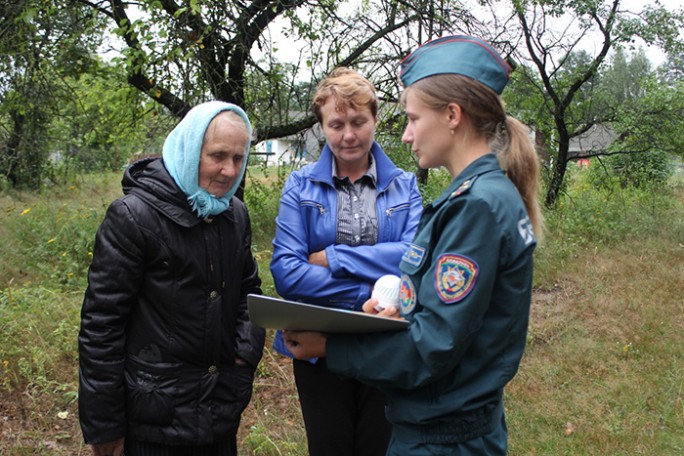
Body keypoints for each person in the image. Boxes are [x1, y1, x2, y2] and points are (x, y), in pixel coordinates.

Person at [283, 35, 544, 455]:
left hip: (444, 435)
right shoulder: (477, 197)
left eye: (413, 118)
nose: (405, 136)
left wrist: (332, 345)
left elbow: (432, 347)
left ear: (452, 116)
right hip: (444, 422)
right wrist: (398, 307)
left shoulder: (476, 206)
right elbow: (447, 315)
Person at [78, 101, 265, 456]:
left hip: (218, 410)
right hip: (152, 419)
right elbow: (102, 325)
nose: (228, 170)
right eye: (217, 156)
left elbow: (247, 293)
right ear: (190, 149)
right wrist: (104, 426)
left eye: (239, 158)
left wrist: (242, 359)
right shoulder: (133, 217)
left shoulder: (234, 214)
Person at [269, 67, 423, 456]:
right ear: (322, 126)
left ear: (375, 119)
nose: (348, 134)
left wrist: (332, 257)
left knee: (380, 445)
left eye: (358, 121)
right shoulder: (300, 186)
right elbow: (287, 273)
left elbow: (414, 258)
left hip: (385, 341)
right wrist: (371, 292)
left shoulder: (404, 185)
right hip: (317, 346)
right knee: (329, 447)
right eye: (336, 124)